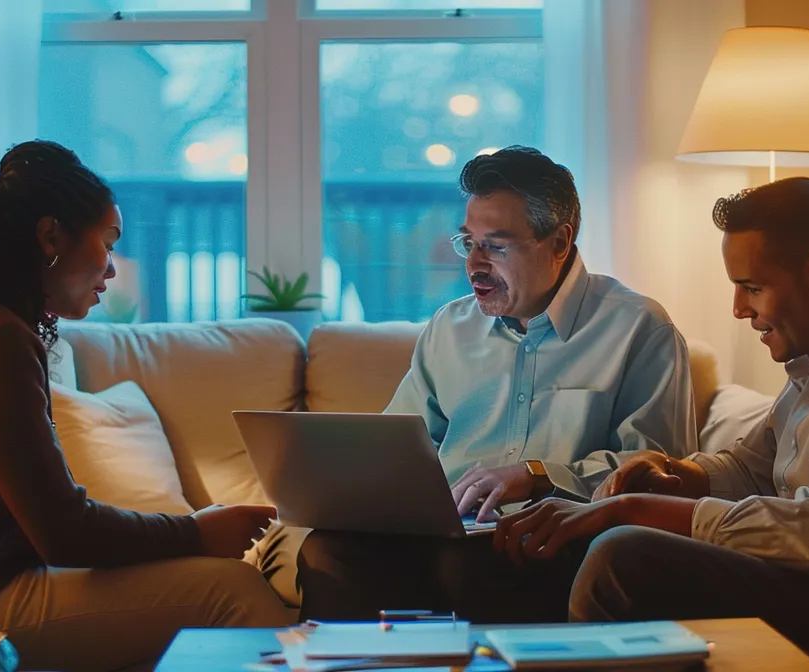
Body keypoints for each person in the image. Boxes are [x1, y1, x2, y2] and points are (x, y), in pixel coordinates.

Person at [493, 176, 809, 671]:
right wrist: (672, 473)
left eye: (753, 287)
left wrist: (634, 509)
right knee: (580, 538)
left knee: (625, 554)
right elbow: (749, 468)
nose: (739, 309)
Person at [0, 140, 292, 672]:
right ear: (50, 236)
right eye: (108, 242)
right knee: (232, 587)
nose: (112, 269)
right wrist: (199, 531)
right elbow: (65, 533)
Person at [292, 146, 696, 623]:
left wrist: (538, 475)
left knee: (468, 565)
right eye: (469, 242)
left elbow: (658, 472)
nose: (474, 264)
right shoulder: (449, 328)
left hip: (556, 534)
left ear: (560, 242)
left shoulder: (639, 329)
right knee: (326, 551)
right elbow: (401, 442)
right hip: (444, 530)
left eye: (497, 245)